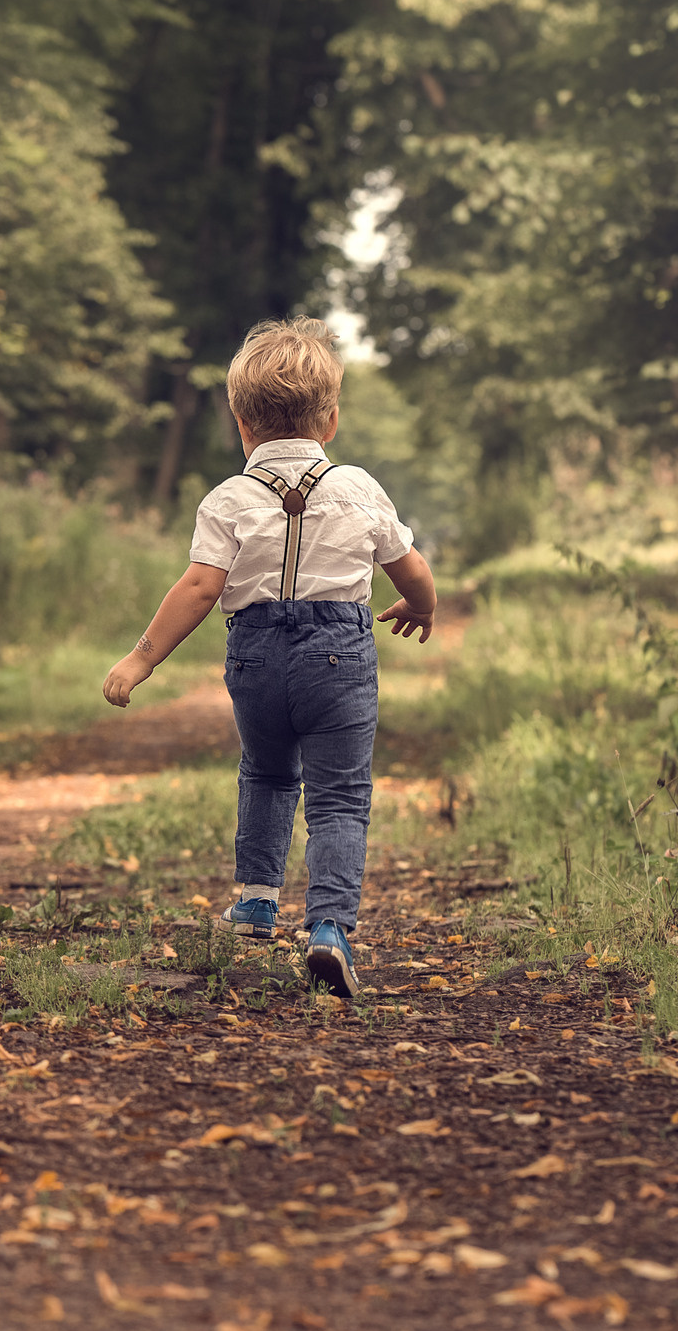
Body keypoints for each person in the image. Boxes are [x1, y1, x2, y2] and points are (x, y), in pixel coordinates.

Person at [101, 318, 436, 998]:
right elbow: (409, 566)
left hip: (256, 658)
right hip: (338, 656)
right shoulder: (359, 488)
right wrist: (423, 606)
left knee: (266, 771)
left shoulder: (227, 499)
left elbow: (199, 587)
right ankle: (330, 928)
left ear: (240, 422)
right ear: (331, 419)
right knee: (340, 797)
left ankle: (256, 900)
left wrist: (141, 659)